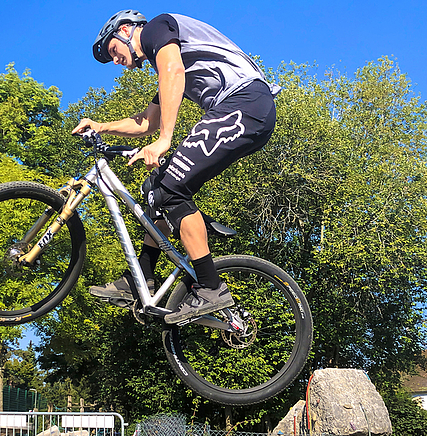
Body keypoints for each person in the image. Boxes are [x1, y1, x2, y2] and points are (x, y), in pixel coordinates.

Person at [72, 10, 279, 324]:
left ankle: (211, 287)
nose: (116, 61)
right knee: (154, 188)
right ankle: (140, 277)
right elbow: (146, 121)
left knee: (170, 188)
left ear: (126, 30)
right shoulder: (170, 56)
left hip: (246, 104)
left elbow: (172, 71)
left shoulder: (159, 29)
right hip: (239, 109)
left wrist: (164, 139)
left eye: (113, 50)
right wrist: (101, 126)